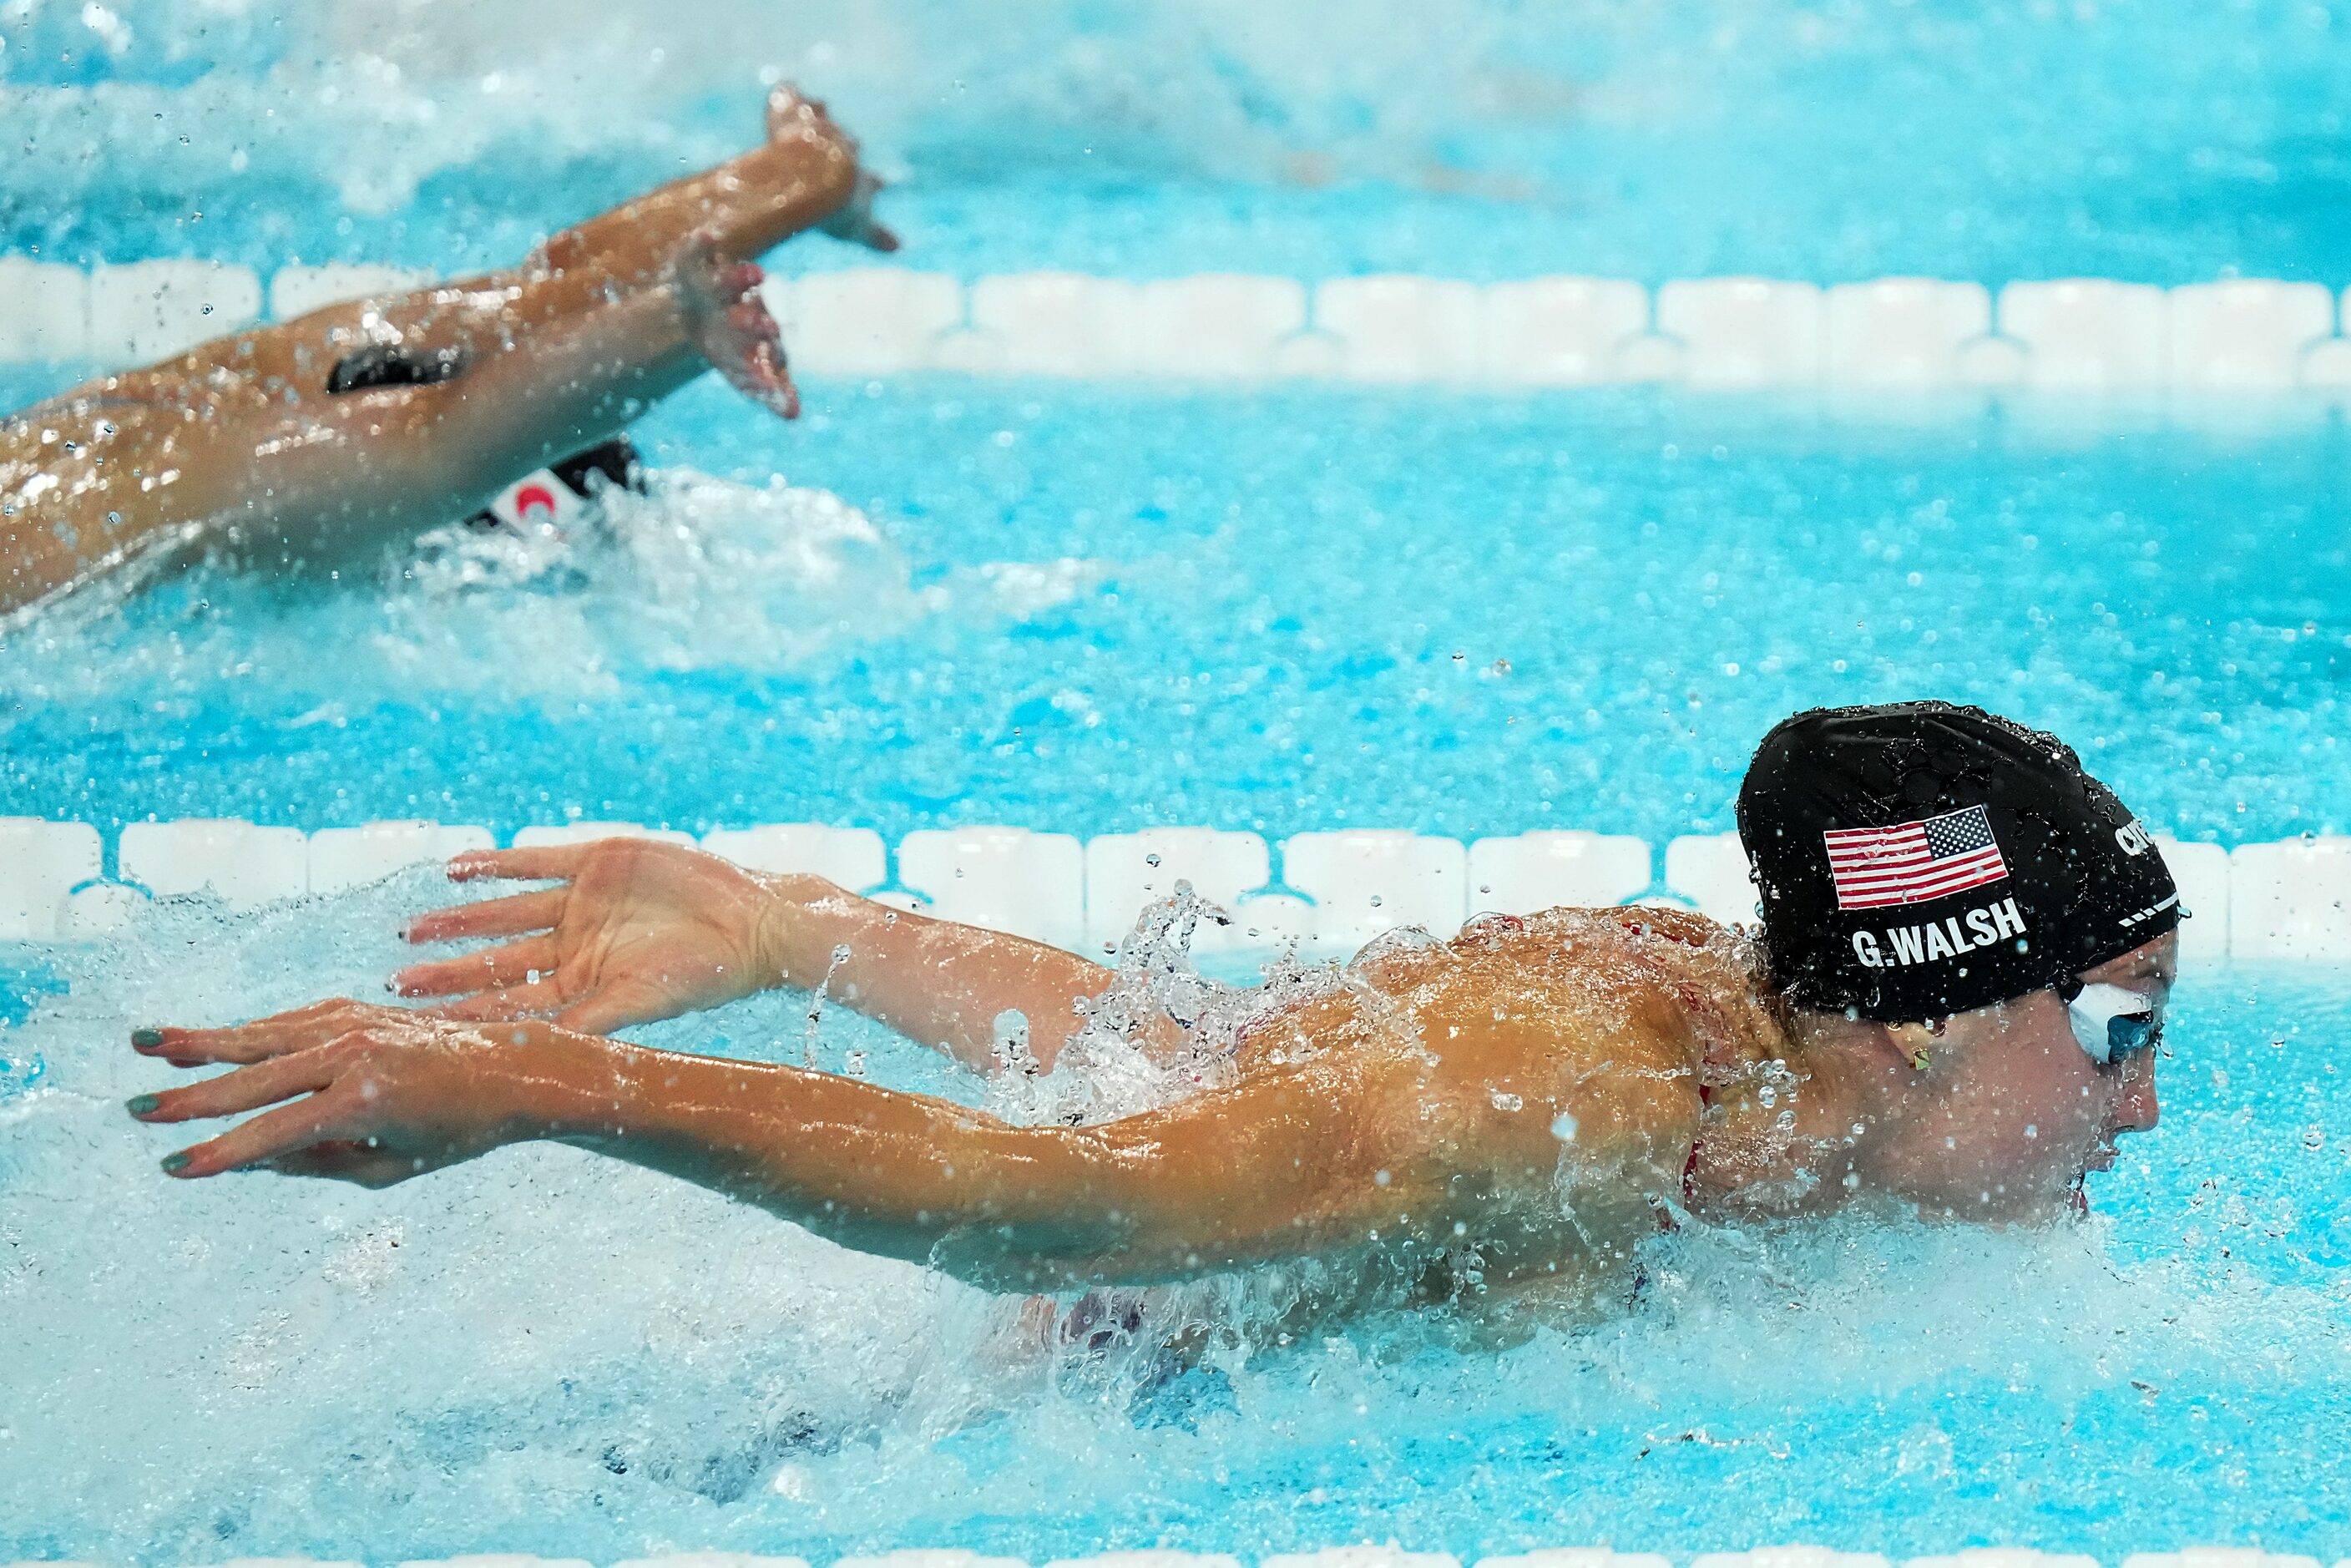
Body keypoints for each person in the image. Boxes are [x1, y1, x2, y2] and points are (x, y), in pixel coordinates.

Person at [125, 702, 2179, 1336]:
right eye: (2112, 1035)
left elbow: (1197, 1038)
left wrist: (798, 922)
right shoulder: (1549, 1097)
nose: (2147, 1108)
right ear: (1922, 1022)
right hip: (1020, 1398)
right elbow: (1063, 1202)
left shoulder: (1732, 1011)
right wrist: (553, 1082)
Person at [0, 86, 894, 615]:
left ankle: (729, 261)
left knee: (464, 382)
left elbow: (430, 447)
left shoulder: (50, 528)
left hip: (96, 475)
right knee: (515, 305)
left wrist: (671, 324)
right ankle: (808, 178)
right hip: (98, 437)